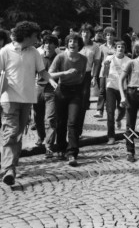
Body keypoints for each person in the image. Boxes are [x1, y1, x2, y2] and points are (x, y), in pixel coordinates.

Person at [1, 22, 58, 185]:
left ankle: (12, 164)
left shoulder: (34, 52)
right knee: (11, 132)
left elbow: (42, 71)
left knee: (18, 134)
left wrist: (52, 81)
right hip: (8, 99)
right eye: (35, 36)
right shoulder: (5, 52)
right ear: (26, 36)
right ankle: (8, 169)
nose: (37, 39)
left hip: (27, 99)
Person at [48, 33, 87, 167]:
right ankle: (61, 148)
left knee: (73, 121)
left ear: (79, 45)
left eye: (75, 42)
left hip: (76, 91)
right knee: (61, 121)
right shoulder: (60, 57)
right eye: (70, 41)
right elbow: (50, 74)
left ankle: (72, 153)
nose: (72, 44)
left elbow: (82, 76)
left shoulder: (83, 59)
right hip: (62, 90)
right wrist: (64, 73)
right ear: (67, 44)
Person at [99, 40, 130, 144]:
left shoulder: (129, 61)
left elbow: (130, 76)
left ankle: (119, 119)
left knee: (122, 110)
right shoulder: (109, 58)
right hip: (111, 87)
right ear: (115, 49)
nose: (120, 49)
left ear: (125, 49)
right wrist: (106, 66)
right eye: (118, 47)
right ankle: (111, 136)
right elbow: (104, 74)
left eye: (122, 47)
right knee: (110, 111)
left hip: (123, 89)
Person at [33, 35, 59, 156]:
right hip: (39, 88)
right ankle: (40, 136)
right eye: (45, 43)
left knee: (50, 118)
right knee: (38, 116)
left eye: (50, 43)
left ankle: (49, 146)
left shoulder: (59, 58)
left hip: (52, 90)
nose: (47, 45)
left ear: (55, 45)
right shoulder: (38, 58)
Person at [77, 23, 101, 138]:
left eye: (87, 32)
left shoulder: (95, 47)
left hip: (86, 75)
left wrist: (94, 76)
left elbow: (96, 63)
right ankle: (71, 127)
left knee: (83, 103)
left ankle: (79, 129)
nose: (85, 34)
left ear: (91, 34)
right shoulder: (75, 43)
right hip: (73, 75)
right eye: (83, 31)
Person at [95, 27, 118, 119]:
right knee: (102, 91)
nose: (109, 37)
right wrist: (95, 74)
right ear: (105, 36)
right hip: (104, 71)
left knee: (111, 91)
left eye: (111, 35)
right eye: (107, 35)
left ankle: (110, 110)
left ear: (114, 36)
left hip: (114, 72)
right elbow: (98, 60)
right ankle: (99, 110)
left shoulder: (117, 46)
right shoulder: (101, 47)